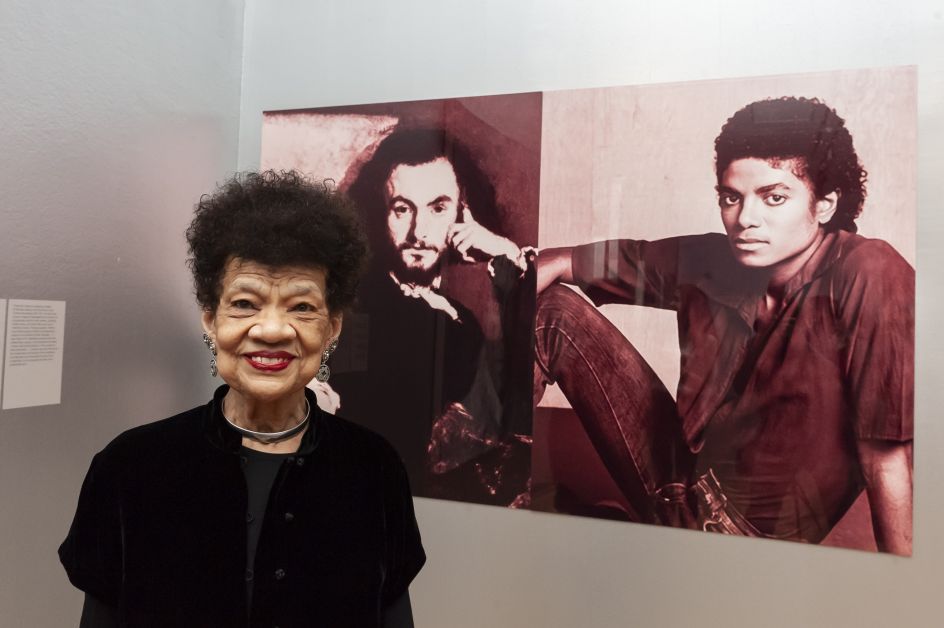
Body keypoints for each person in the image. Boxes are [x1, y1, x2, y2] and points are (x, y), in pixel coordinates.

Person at [535, 97, 914, 554]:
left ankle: (601, 524)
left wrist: (902, 588)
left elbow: (887, 459)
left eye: (774, 197)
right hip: (678, 482)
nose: (746, 219)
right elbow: (566, 261)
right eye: (731, 198)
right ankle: (493, 469)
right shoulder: (716, 259)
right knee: (548, 311)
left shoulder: (871, 273)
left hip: (741, 540)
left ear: (826, 204)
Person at [59, 171, 426, 626]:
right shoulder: (129, 467)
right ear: (210, 320)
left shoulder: (374, 469)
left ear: (332, 328)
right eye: (245, 304)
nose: (271, 330)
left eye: (302, 307)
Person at [334, 126, 536, 506]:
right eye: (402, 209)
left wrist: (504, 261)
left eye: (438, 208)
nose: (419, 231)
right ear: (380, 215)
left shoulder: (459, 316)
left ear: (463, 214)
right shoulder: (363, 307)